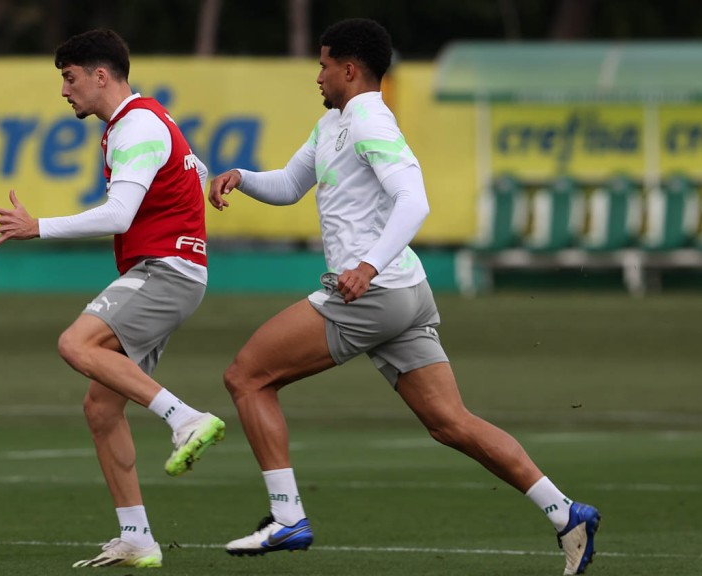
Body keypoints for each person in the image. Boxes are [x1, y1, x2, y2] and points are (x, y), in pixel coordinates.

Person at [207, 18, 600, 576]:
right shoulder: (334, 122)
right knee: (450, 423)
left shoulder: (369, 118)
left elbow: (414, 201)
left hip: (374, 294)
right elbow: (292, 186)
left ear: (349, 68)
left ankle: (287, 516)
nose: (316, 75)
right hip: (405, 294)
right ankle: (566, 513)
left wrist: (366, 266)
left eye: (323, 65)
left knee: (246, 376)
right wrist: (241, 177)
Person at [0, 28, 225, 569]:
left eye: (69, 79)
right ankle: (136, 537)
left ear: (101, 75)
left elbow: (119, 214)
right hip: (172, 269)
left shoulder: (135, 126)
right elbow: (195, 168)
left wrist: (36, 226)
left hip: (167, 271)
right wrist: (205, 185)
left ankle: (183, 417)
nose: (64, 91)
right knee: (101, 407)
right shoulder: (148, 118)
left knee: (75, 343)